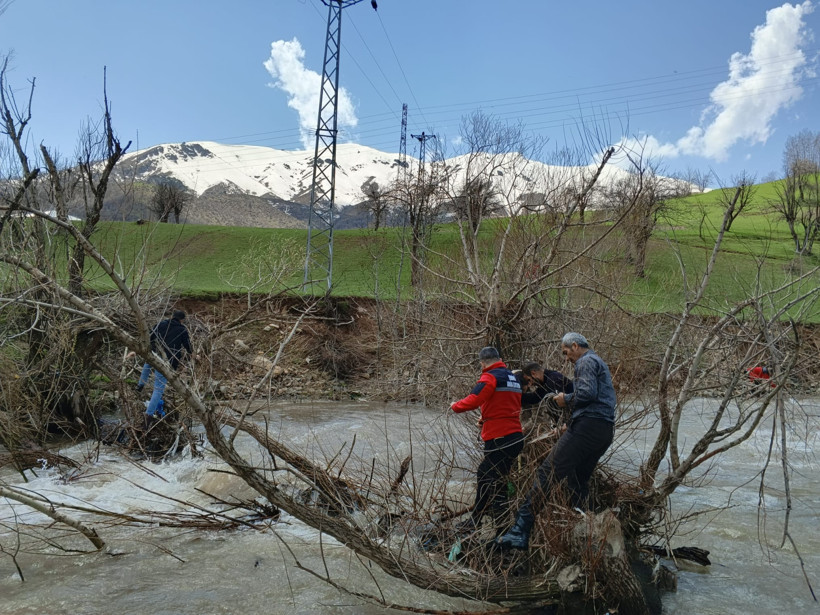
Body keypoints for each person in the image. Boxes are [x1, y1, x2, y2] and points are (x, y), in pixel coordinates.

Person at [496, 332, 615, 550]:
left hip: (587, 427)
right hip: (604, 431)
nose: (566, 357)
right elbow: (598, 399)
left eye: (566, 352)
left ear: (576, 346)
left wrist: (564, 400)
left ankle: (519, 531)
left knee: (547, 472)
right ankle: (586, 528)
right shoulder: (600, 363)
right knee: (578, 478)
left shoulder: (586, 361)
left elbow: (587, 394)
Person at [450, 346, 524, 534]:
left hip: (499, 437)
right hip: (515, 436)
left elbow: (474, 399)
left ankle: (476, 521)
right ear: (499, 358)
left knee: (484, 474)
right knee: (498, 480)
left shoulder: (489, 376)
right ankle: (502, 526)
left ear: (482, 363)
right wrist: (486, 418)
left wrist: (455, 406)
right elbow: (506, 404)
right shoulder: (512, 377)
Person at [137, 310, 192, 418]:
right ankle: (148, 415)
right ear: (182, 320)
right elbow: (188, 346)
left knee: (147, 363)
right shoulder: (182, 330)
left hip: (155, 354)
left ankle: (140, 385)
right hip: (168, 361)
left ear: (172, 316)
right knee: (158, 389)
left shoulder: (161, 324)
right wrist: (193, 354)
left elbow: (150, 336)